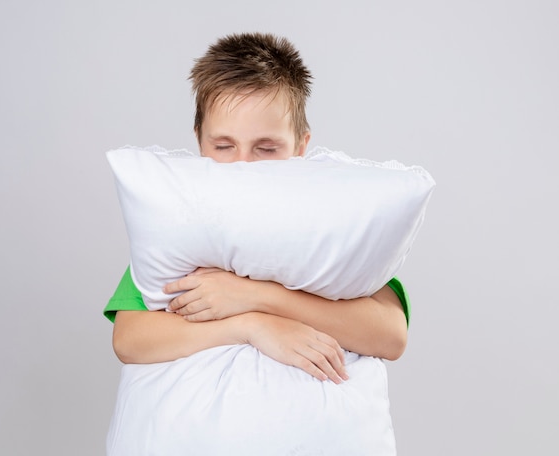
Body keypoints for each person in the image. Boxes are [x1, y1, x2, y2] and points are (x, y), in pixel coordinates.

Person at [104, 32, 410, 386]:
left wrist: (255, 296)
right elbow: (129, 339)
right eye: (224, 145)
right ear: (200, 142)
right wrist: (253, 325)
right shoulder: (182, 221)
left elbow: (390, 335)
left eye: (266, 148)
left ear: (300, 146)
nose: (243, 165)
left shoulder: (327, 218)